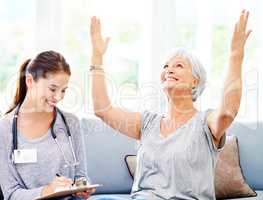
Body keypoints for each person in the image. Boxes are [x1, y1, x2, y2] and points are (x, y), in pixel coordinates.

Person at [89, 9, 251, 200]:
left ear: (195, 81)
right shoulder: (148, 122)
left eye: (178, 65)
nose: (168, 70)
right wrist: (97, 58)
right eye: (165, 66)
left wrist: (235, 55)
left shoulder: (205, 123)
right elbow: (102, 110)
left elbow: (227, 112)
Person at [0, 51, 94, 200]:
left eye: (63, 90)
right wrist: (48, 190)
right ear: (30, 81)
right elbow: (11, 194)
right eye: (52, 89)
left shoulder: (71, 122)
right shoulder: (5, 129)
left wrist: (82, 189)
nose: (58, 97)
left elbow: (80, 176)